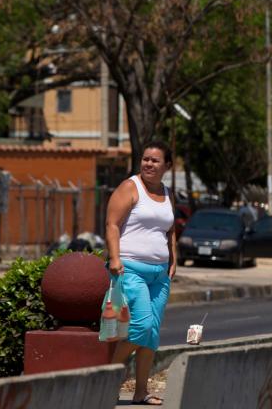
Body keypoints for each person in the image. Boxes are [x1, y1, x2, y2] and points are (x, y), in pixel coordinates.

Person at [105, 141, 177, 406]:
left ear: (167, 166)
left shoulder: (168, 193)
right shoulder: (130, 187)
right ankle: (107, 378)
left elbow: (169, 229)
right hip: (130, 268)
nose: (148, 164)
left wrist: (173, 258)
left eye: (155, 161)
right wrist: (114, 258)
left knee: (152, 336)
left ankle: (140, 392)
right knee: (142, 326)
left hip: (159, 275)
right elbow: (112, 223)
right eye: (146, 159)